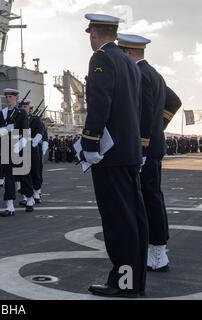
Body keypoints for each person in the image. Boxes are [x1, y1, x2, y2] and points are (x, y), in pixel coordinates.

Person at [82, 14, 148, 298]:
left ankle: (123, 284)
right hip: (130, 152)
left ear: (94, 34)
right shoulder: (130, 64)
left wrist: (90, 143)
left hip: (111, 155)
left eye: (90, 34)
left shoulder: (101, 58)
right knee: (133, 219)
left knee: (117, 220)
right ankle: (133, 282)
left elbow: (100, 102)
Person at [118, 34, 172, 272]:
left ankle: (158, 251)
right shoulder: (155, 74)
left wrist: (141, 146)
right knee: (151, 195)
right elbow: (174, 101)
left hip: (144, 149)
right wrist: (159, 128)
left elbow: (145, 113)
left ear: (129, 53)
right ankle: (154, 247)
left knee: (149, 197)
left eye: (121, 52)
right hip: (152, 145)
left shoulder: (139, 74)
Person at [0, 88, 34, 215]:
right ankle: (9, 206)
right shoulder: (1, 114)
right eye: (7, 96)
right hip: (5, 147)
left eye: (10, 96)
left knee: (23, 175)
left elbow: (26, 133)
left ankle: (30, 199)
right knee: (8, 177)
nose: (8, 99)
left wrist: (18, 147)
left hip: (18, 147)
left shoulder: (21, 113)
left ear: (15, 98)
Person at [19, 100, 44, 206]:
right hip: (21, 147)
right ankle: (26, 195)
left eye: (25, 106)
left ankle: (36, 192)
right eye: (22, 106)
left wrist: (35, 141)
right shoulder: (18, 119)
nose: (23, 108)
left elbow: (40, 131)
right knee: (24, 172)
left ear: (29, 108)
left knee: (35, 170)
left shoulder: (35, 119)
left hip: (33, 147)